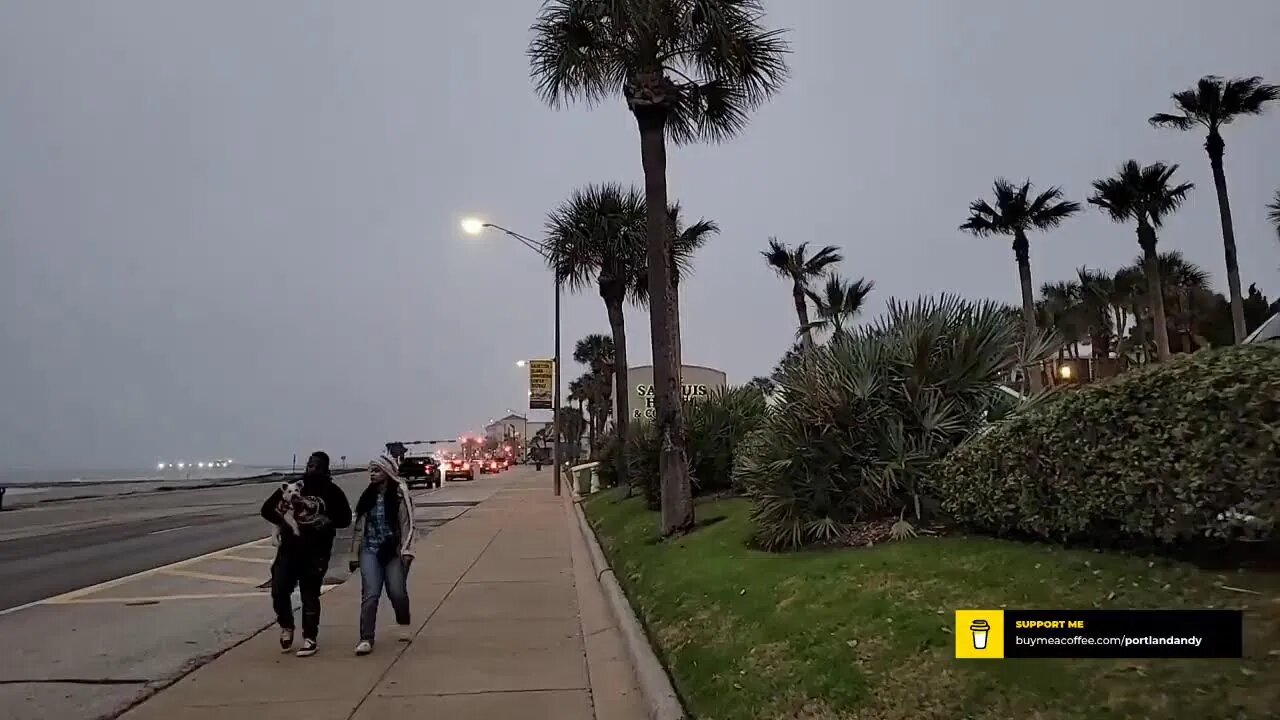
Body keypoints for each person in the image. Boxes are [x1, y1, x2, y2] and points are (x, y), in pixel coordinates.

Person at [260, 451, 351, 657]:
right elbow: (266, 510)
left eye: (316, 465)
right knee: (279, 590)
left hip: (316, 552)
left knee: (310, 595)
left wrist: (326, 520)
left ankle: (310, 637)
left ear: (325, 468)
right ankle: (286, 625)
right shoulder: (294, 487)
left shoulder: (332, 491)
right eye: (310, 464)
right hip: (289, 550)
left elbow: (345, 519)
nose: (312, 468)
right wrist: (282, 515)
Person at [348, 454, 416, 655]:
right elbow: (359, 529)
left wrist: (406, 550)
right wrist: (354, 554)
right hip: (370, 550)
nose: (372, 474)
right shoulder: (367, 497)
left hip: (393, 551)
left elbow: (408, 524)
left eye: (376, 471)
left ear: (387, 473)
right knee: (370, 594)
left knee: (397, 592)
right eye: (371, 471)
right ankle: (366, 638)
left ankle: (403, 623)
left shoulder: (399, 495)